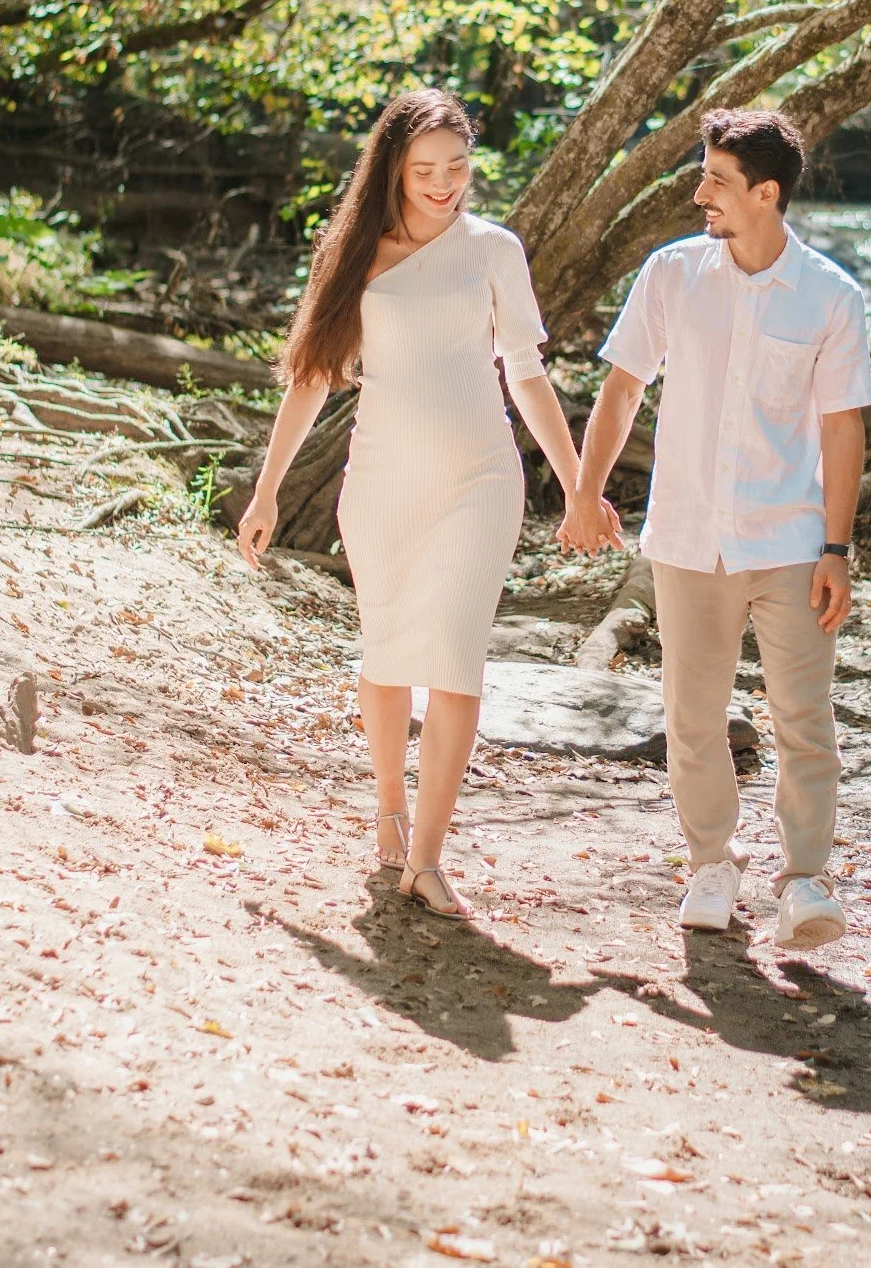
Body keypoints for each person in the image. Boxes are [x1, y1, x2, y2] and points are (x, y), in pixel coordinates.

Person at [238, 89, 616, 919]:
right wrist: (266, 491)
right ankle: (389, 814)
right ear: (393, 172)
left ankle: (429, 858)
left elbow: (526, 372)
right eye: (425, 172)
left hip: (481, 477)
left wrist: (581, 484)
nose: (445, 185)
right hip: (380, 484)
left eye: (457, 168)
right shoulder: (356, 254)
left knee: (455, 658)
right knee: (387, 656)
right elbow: (309, 380)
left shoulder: (495, 250)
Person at [560, 108, 871, 951]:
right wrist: (584, 494)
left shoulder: (831, 297)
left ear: (766, 194)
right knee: (691, 715)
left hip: (791, 544)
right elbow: (622, 390)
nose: (700, 193)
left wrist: (838, 550)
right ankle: (711, 863)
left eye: (717, 182)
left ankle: (805, 880)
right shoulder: (672, 275)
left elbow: (844, 428)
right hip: (690, 538)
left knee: (803, 717)